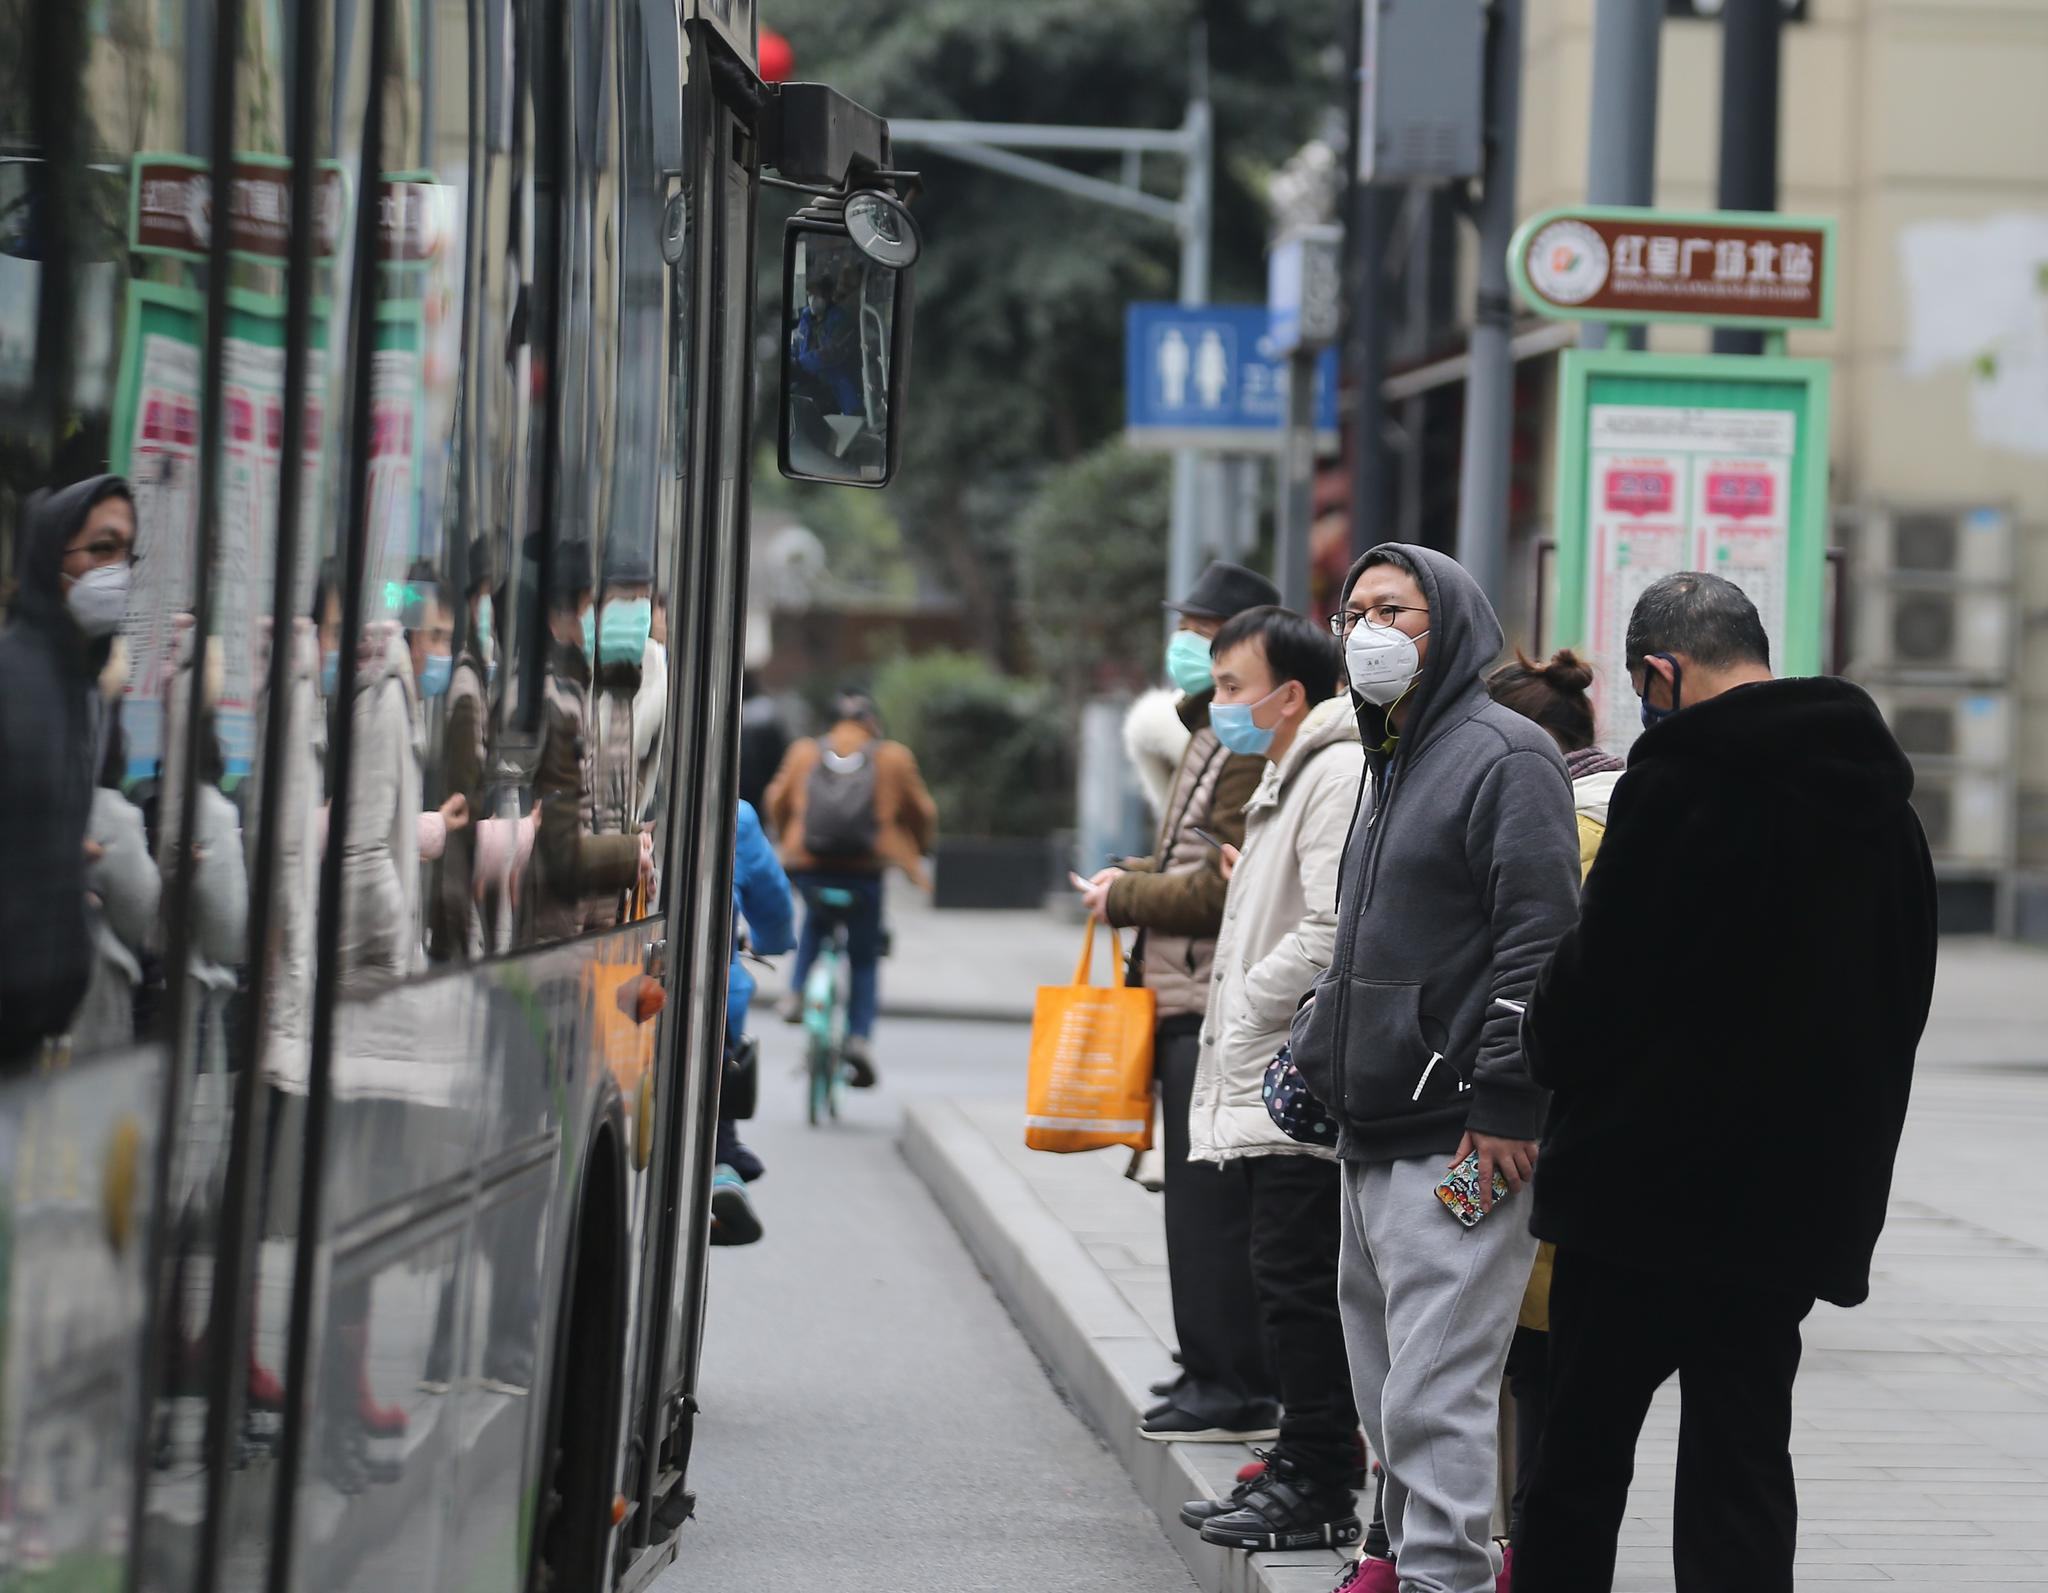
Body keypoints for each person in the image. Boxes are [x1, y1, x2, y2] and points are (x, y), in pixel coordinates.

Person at [1513, 573, 1938, 1593]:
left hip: (1636, 1203)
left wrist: (1543, 1046)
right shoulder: (1880, 806)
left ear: (1661, 670)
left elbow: (1593, 988)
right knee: (1740, 1463)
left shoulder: (1676, 787)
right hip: (1785, 1212)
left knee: (1575, 1463)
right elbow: (1900, 1002)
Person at [1294, 544, 1580, 1593]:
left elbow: (1539, 941)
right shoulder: (1388, 754)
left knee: (1437, 1391)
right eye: (1351, 612)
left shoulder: (1505, 756)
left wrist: (1507, 1102)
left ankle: (1447, 1578)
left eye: (1391, 610)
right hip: (1368, 1133)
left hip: (1462, 1137)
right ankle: (1412, 1561)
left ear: (1448, 622)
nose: (1366, 630)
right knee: (1383, 1391)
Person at [1072, 559, 1282, 1443]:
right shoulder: (1207, 727)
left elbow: (1219, 891)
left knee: (1210, 1212)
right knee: (1192, 1208)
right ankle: (1206, 1368)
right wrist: (1136, 873)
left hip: (1208, 996)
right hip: (1179, 990)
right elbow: (1193, 865)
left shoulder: (1239, 738)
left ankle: (1229, 1379)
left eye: (1202, 632)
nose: (1185, 646)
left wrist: (1125, 895)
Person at [1172, 606, 1365, 1552]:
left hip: (1293, 1076)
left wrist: (1248, 1000)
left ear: (1291, 694)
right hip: (1265, 1068)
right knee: (1283, 1282)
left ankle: (1322, 1477)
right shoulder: (1292, 772)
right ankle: (1301, 1459)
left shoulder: (1330, 773)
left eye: (1235, 687)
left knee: (1296, 1286)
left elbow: (1332, 925)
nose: (1221, 705)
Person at [1479, 647, 1624, 1581]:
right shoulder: (1639, 800)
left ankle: (1531, 1554)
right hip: (1629, 1140)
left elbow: (1526, 976)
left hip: (1553, 1130)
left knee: (1536, 1369)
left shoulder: (1564, 824)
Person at [0, 475, 135, 1064]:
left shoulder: (84, 694)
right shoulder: (9, 676)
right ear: (53, 553)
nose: (118, 570)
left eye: (128, 553)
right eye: (102, 549)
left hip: (43, 1034)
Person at [764, 689, 936, 1088]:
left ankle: (794, 995)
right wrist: (920, 847)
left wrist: (790, 831)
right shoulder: (893, 757)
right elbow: (923, 812)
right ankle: (858, 1038)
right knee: (863, 956)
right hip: (865, 871)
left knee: (813, 924)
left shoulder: (805, 752)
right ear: (871, 723)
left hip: (811, 866)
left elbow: (776, 799)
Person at [526, 536, 653, 944]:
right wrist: (631, 853)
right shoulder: (554, 695)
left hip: (599, 918)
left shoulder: (618, 692)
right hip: (558, 925)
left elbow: (601, 808)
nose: (637, 615)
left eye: (642, 602)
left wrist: (634, 838)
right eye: (623, 600)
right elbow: (564, 835)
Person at [710, 799, 795, 1248]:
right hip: (712, 1000)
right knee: (716, 1070)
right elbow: (772, 899)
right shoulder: (732, 814)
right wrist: (772, 942)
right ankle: (722, 1171)